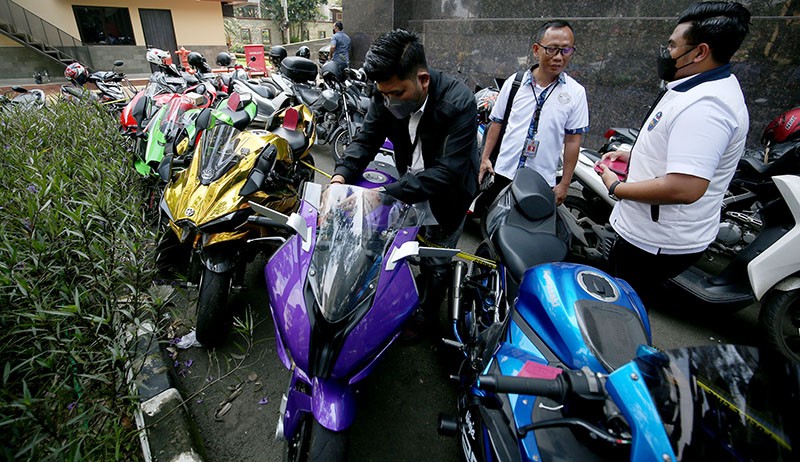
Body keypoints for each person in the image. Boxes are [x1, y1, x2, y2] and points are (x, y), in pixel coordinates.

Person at [596, 1, 751, 308]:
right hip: (648, 231)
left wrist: (616, 187)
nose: (665, 52)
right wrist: (635, 155)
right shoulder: (692, 86)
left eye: (672, 45)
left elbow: (685, 187)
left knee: (620, 311)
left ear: (699, 52)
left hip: (656, 241)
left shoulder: (707, 108)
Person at [330, 29, 479, 341]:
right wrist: (339, 176)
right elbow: (366, 139)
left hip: (447, 195)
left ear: (423, 79)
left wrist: (383, 194)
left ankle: (427, 313)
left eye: (396, 94)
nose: (388, 101)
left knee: (436, 258)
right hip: (408, 183)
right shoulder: (384, 93)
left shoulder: (459, 102)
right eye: (384, 94)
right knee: (395, 248)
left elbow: (447, 172)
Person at [476, 19, 589, 215]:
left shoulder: (576, 93)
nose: (559, 57)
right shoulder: (515, 83)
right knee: (493, 224)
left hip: (541, 179)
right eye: (552, 49)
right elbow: (497, 122)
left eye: (566, 50)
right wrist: (485, 158)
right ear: (536, 50)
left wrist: (564, 183)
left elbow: (572, 141)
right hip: (504, 172)